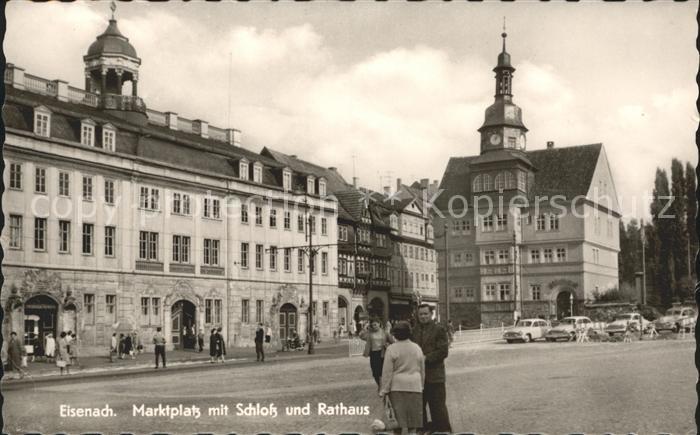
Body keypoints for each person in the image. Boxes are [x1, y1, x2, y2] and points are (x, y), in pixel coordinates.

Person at [379, 321, 424, 435]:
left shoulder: (392, 349)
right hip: (415, 386)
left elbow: (387, 372)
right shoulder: (417, 348)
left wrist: (384, 390)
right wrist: (421, 385)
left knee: (397, 422)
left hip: (397, 387)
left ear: (395, 334)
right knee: (413, 423)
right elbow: (422, 369)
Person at [412, 304, 452, 433]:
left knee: (438, 407)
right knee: (419, 406)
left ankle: (443, 431)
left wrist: (426, 358)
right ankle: (423, 430)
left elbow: (443, 351)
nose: (423, 316)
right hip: (418, 377)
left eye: (425, 314)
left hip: (435, 376)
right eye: (421, 314)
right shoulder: (414, 330)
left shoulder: (439, 329)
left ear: (431, 314)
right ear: (417, 316)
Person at [360, 318, 394, 389]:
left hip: (382, 354)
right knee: (375, 373)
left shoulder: (385, 333)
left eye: (375, 324)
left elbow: (393, 342)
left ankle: (383, 386)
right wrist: (365, 328)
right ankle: (379, 385)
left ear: (379, 324)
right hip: (373, 354)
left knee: (382, 371)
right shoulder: (370, 334)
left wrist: (388, 345)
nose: (374, 326)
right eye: (372, 325)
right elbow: (361, 336)